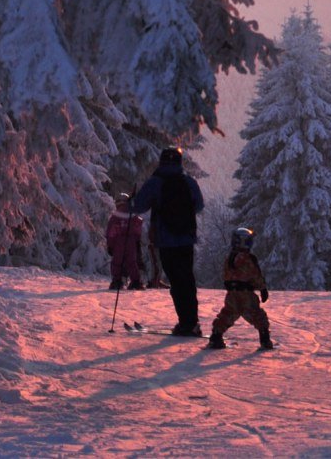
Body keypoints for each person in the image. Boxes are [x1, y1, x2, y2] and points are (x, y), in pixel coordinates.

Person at [132, 147, 205, 336]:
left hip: (165, 239)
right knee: (187, 279)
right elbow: (199, 205)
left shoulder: (156, 183)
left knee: (175, 280)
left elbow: (138, 207)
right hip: (186, 238)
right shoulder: (188, 182)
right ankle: (192, 322)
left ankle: (185, 323)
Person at [206, 228, 273, 351]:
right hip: (246, 294)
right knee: (257, 314)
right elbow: (255, 275)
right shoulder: (249, 258)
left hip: (232, 293)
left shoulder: (230, 258)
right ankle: (265, 339)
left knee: (228, 314)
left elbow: (226, 276)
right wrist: (262, 288)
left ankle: (216, 336)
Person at [105, 193, 145, 290]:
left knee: (117, 262)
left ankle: (117, 280)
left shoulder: (115, 217)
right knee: (132, 262)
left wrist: (110, 245)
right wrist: (137, 241)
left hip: (119, 241)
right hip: (131, 241)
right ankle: (136, 281)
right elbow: (138, 227)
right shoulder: (132, 215)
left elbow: (111, 232)